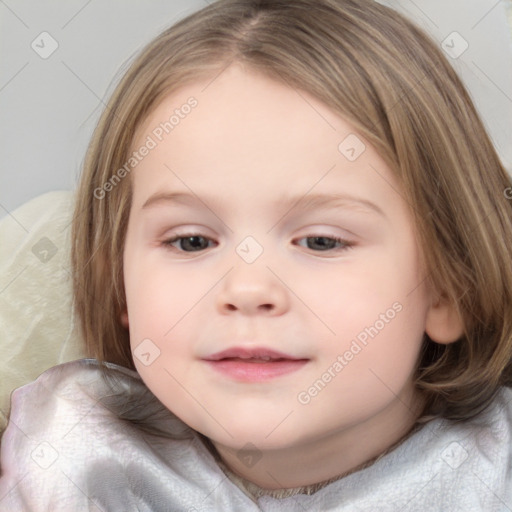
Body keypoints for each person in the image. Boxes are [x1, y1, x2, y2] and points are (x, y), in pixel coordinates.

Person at [2, 0, 512, 509]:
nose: (247, 290)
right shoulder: (73, 460)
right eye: (192, 241)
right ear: (120, 285)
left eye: (321, 241)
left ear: (451, 289)